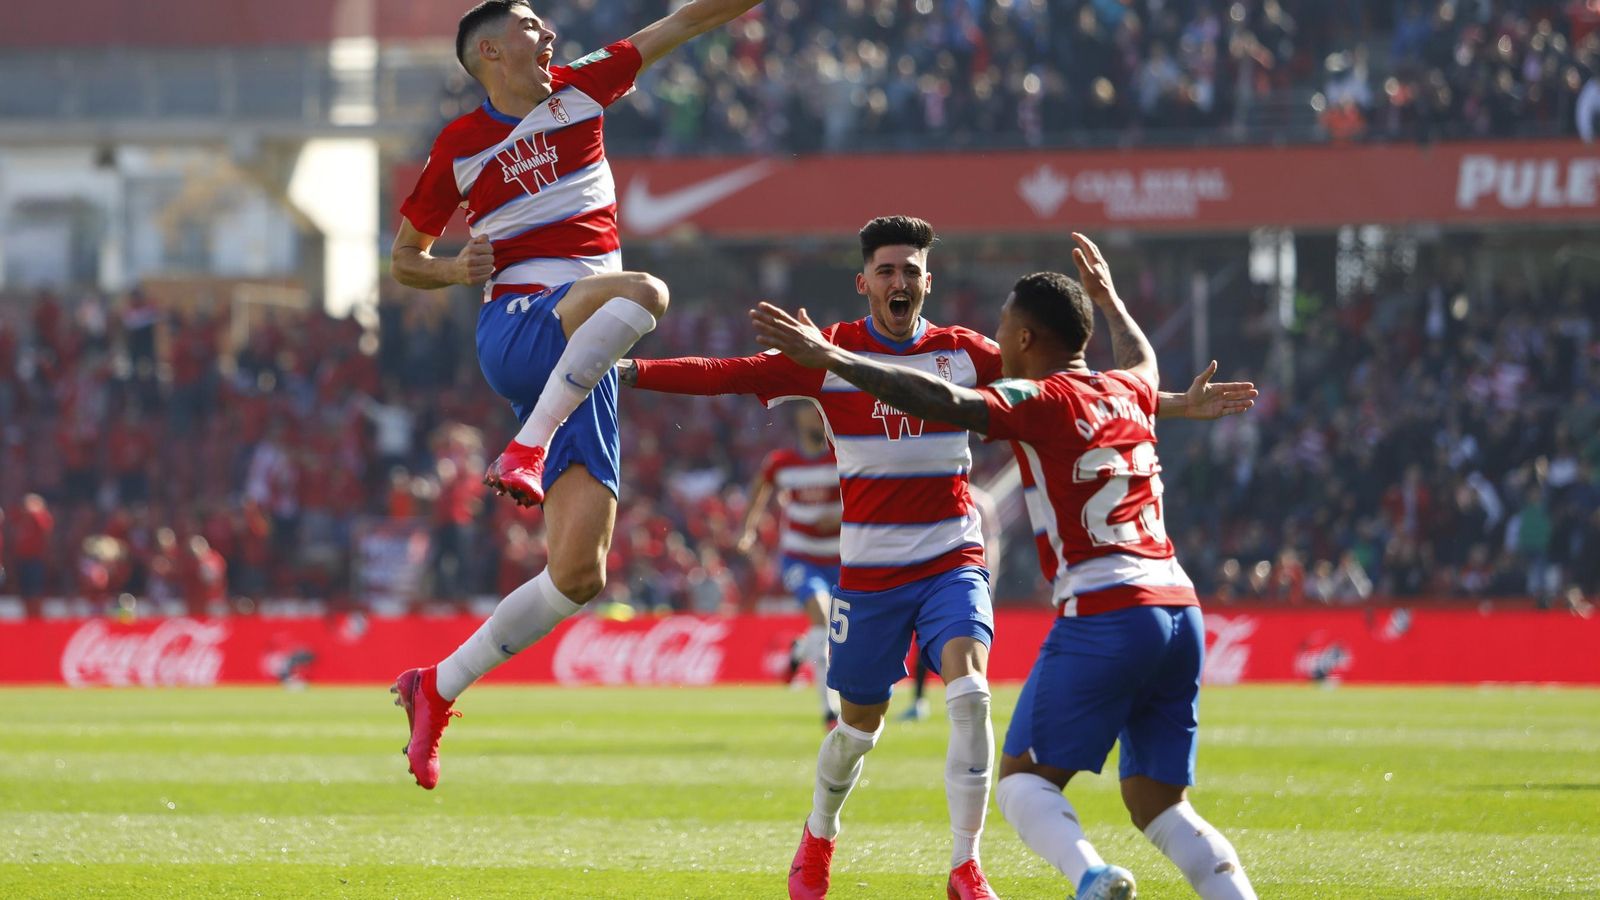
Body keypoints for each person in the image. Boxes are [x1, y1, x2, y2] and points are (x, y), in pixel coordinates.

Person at [623, 216, 1235, 900]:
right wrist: (625, 371)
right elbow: (725, 374)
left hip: (952, 556)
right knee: (857, 729)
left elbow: (1075, 394)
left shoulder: (969, 353)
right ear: (864, 283)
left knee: (971, 694)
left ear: (927, 282)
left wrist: (1173, 405)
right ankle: (819, 835)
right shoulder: (825, 352)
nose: (899, 281)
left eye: (910, 271)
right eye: (886, 270)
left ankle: (965, 866)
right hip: (870, 573)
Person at [387, 0, 764, 791]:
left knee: (579, 574)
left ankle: (437, 686)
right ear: (488, 50)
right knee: (649, 291)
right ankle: (524, 447)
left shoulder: (585, 87)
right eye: (529, 24)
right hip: (522, 326)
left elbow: (685, 23)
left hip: (582, 350)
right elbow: (405, 259)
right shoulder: (457, 147)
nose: (548, 32)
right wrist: (457, 269)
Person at [737, 404, 842, 729]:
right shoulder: (782, 463)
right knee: (822, 619)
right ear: (798, 417)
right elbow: (759, 491)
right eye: (811, 410)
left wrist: (840, 514)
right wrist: (748, 530)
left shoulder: (842, 456)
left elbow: (864, 493)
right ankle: (830, 711)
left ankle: (799, 650)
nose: (819, 416)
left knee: (833, 631)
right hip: (801, 558)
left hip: (840, 559)